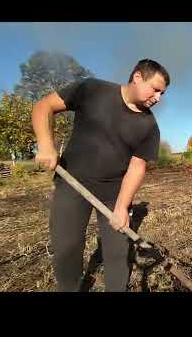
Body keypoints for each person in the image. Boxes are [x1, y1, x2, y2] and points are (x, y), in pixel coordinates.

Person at [32, 59, 170, 292]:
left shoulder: (149, 126)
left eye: (162, 93)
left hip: (113, 193)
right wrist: (46, 144)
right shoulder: (92, 90)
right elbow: (44, 106)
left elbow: (137, 167)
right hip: (71, 184)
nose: (158, 98)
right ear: (137, 77)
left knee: (117, 254)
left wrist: (122, 206)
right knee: (67, 249)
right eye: (155, 89)